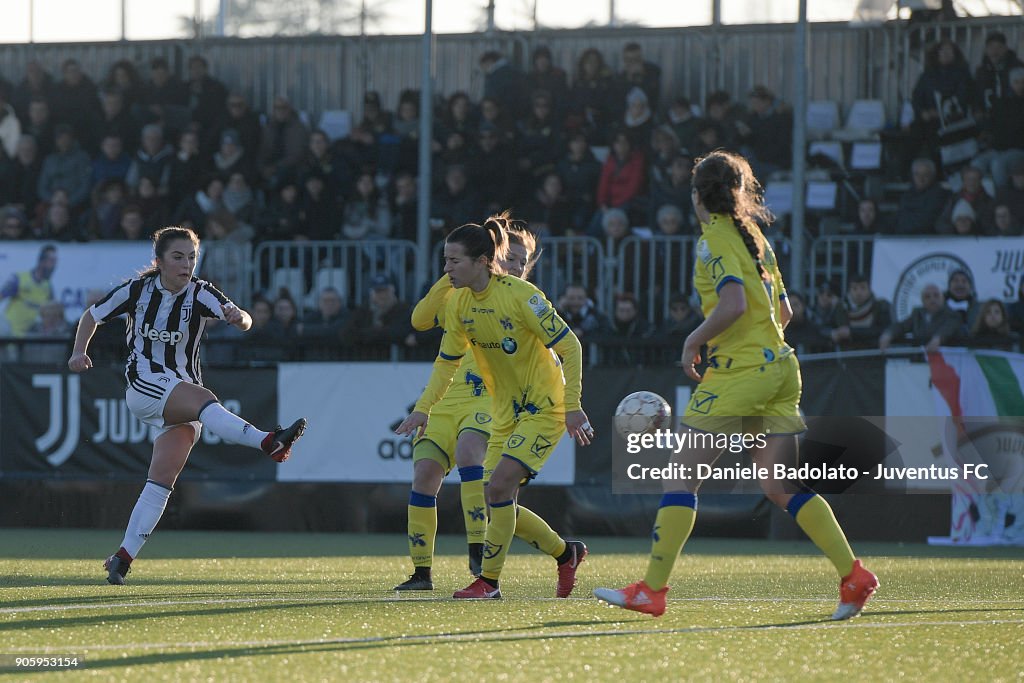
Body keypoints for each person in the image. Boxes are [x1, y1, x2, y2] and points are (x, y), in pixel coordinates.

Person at [593, 150, 878, 620]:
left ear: (696, 196)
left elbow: (733, 305)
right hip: (781, 367)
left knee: (681, 475)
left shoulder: (715, 239)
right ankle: (853, 575)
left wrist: (693, 341)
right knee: (780, 485)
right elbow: (783, 313)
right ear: (742, 194)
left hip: (741, 373)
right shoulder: (757, 240)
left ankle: (652, 590)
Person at [67, 226, 307, 585]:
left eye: (192, 257)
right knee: (205, 400)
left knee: (161, 481)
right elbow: (92, 315)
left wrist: (239, 318)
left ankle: (122, 559)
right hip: (145, 384)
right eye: (178, 257)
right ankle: (268, 442)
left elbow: (242, 316)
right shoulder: (137, 290)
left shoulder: (200, 292)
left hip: (179, 395)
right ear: (159, 261)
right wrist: (78, 351)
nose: (187, 264)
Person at [396, 215, 593, 600]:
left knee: (499, 488)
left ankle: (488, 582)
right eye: (445, 260)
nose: (446, 269)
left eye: (453, 261)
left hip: (544, 408)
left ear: (483, 261)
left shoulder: (522, 297)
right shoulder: (460, 307)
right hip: (506, 412)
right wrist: (423, 408)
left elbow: (571, 346)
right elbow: (445, 363)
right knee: (496, 498)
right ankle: (565, 553)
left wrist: (573, 407)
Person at [0, 244, 56, 337]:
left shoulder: (48, 286)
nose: (53, 266)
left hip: (30, 336)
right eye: (51, 261)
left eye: (55, 262)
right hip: (9, 332)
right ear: (42, 261)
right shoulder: (19, 279)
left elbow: (52, 312)